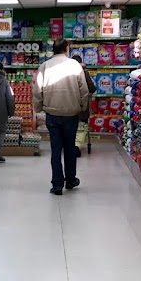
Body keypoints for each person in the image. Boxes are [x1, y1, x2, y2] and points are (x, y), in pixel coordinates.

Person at [32, 38, 90, 194]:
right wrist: (82, 107)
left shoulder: (45, 66)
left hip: (52, 114)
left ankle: (57, 184)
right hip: (71, 113)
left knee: (56, 150)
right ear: (67, 49)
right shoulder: (75, 65)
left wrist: (39, 107)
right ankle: (70, 180)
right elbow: (84, 90)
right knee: (70, 148)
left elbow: (37, 90)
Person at [69, 51, 96, 158]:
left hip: (68, 106)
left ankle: (69, 145)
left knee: (69, 127)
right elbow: (92, 88)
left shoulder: (65, 73)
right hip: (82, 106)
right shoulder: (84, 72)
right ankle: (77, 146)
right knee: (81, 127)